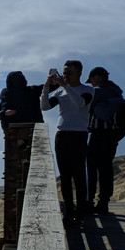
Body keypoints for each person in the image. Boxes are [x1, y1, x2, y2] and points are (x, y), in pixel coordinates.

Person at [40, 60, 93, 224]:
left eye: (69, 73)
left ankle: (80, 212)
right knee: (65, 176)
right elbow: (44, 106)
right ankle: (69, 212)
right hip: (62, 134)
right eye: (63, 73)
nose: (65, 76)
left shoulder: (88, 90)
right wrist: (46, 87)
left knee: (79, 175)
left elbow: (80, 103)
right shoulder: (60, 92)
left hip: (79, 135)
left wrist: (64, 85)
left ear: (79, 73)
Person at [86, 66, 124, 214]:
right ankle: (103, 202)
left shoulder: (97, 91)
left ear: (97, 77)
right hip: (112, 134)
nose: (91, 83)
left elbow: (84, 107)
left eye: (92, 80)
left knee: (91, 168)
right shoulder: (117, 93)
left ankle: (89, 201)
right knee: (106, 168)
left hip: (97, 133)